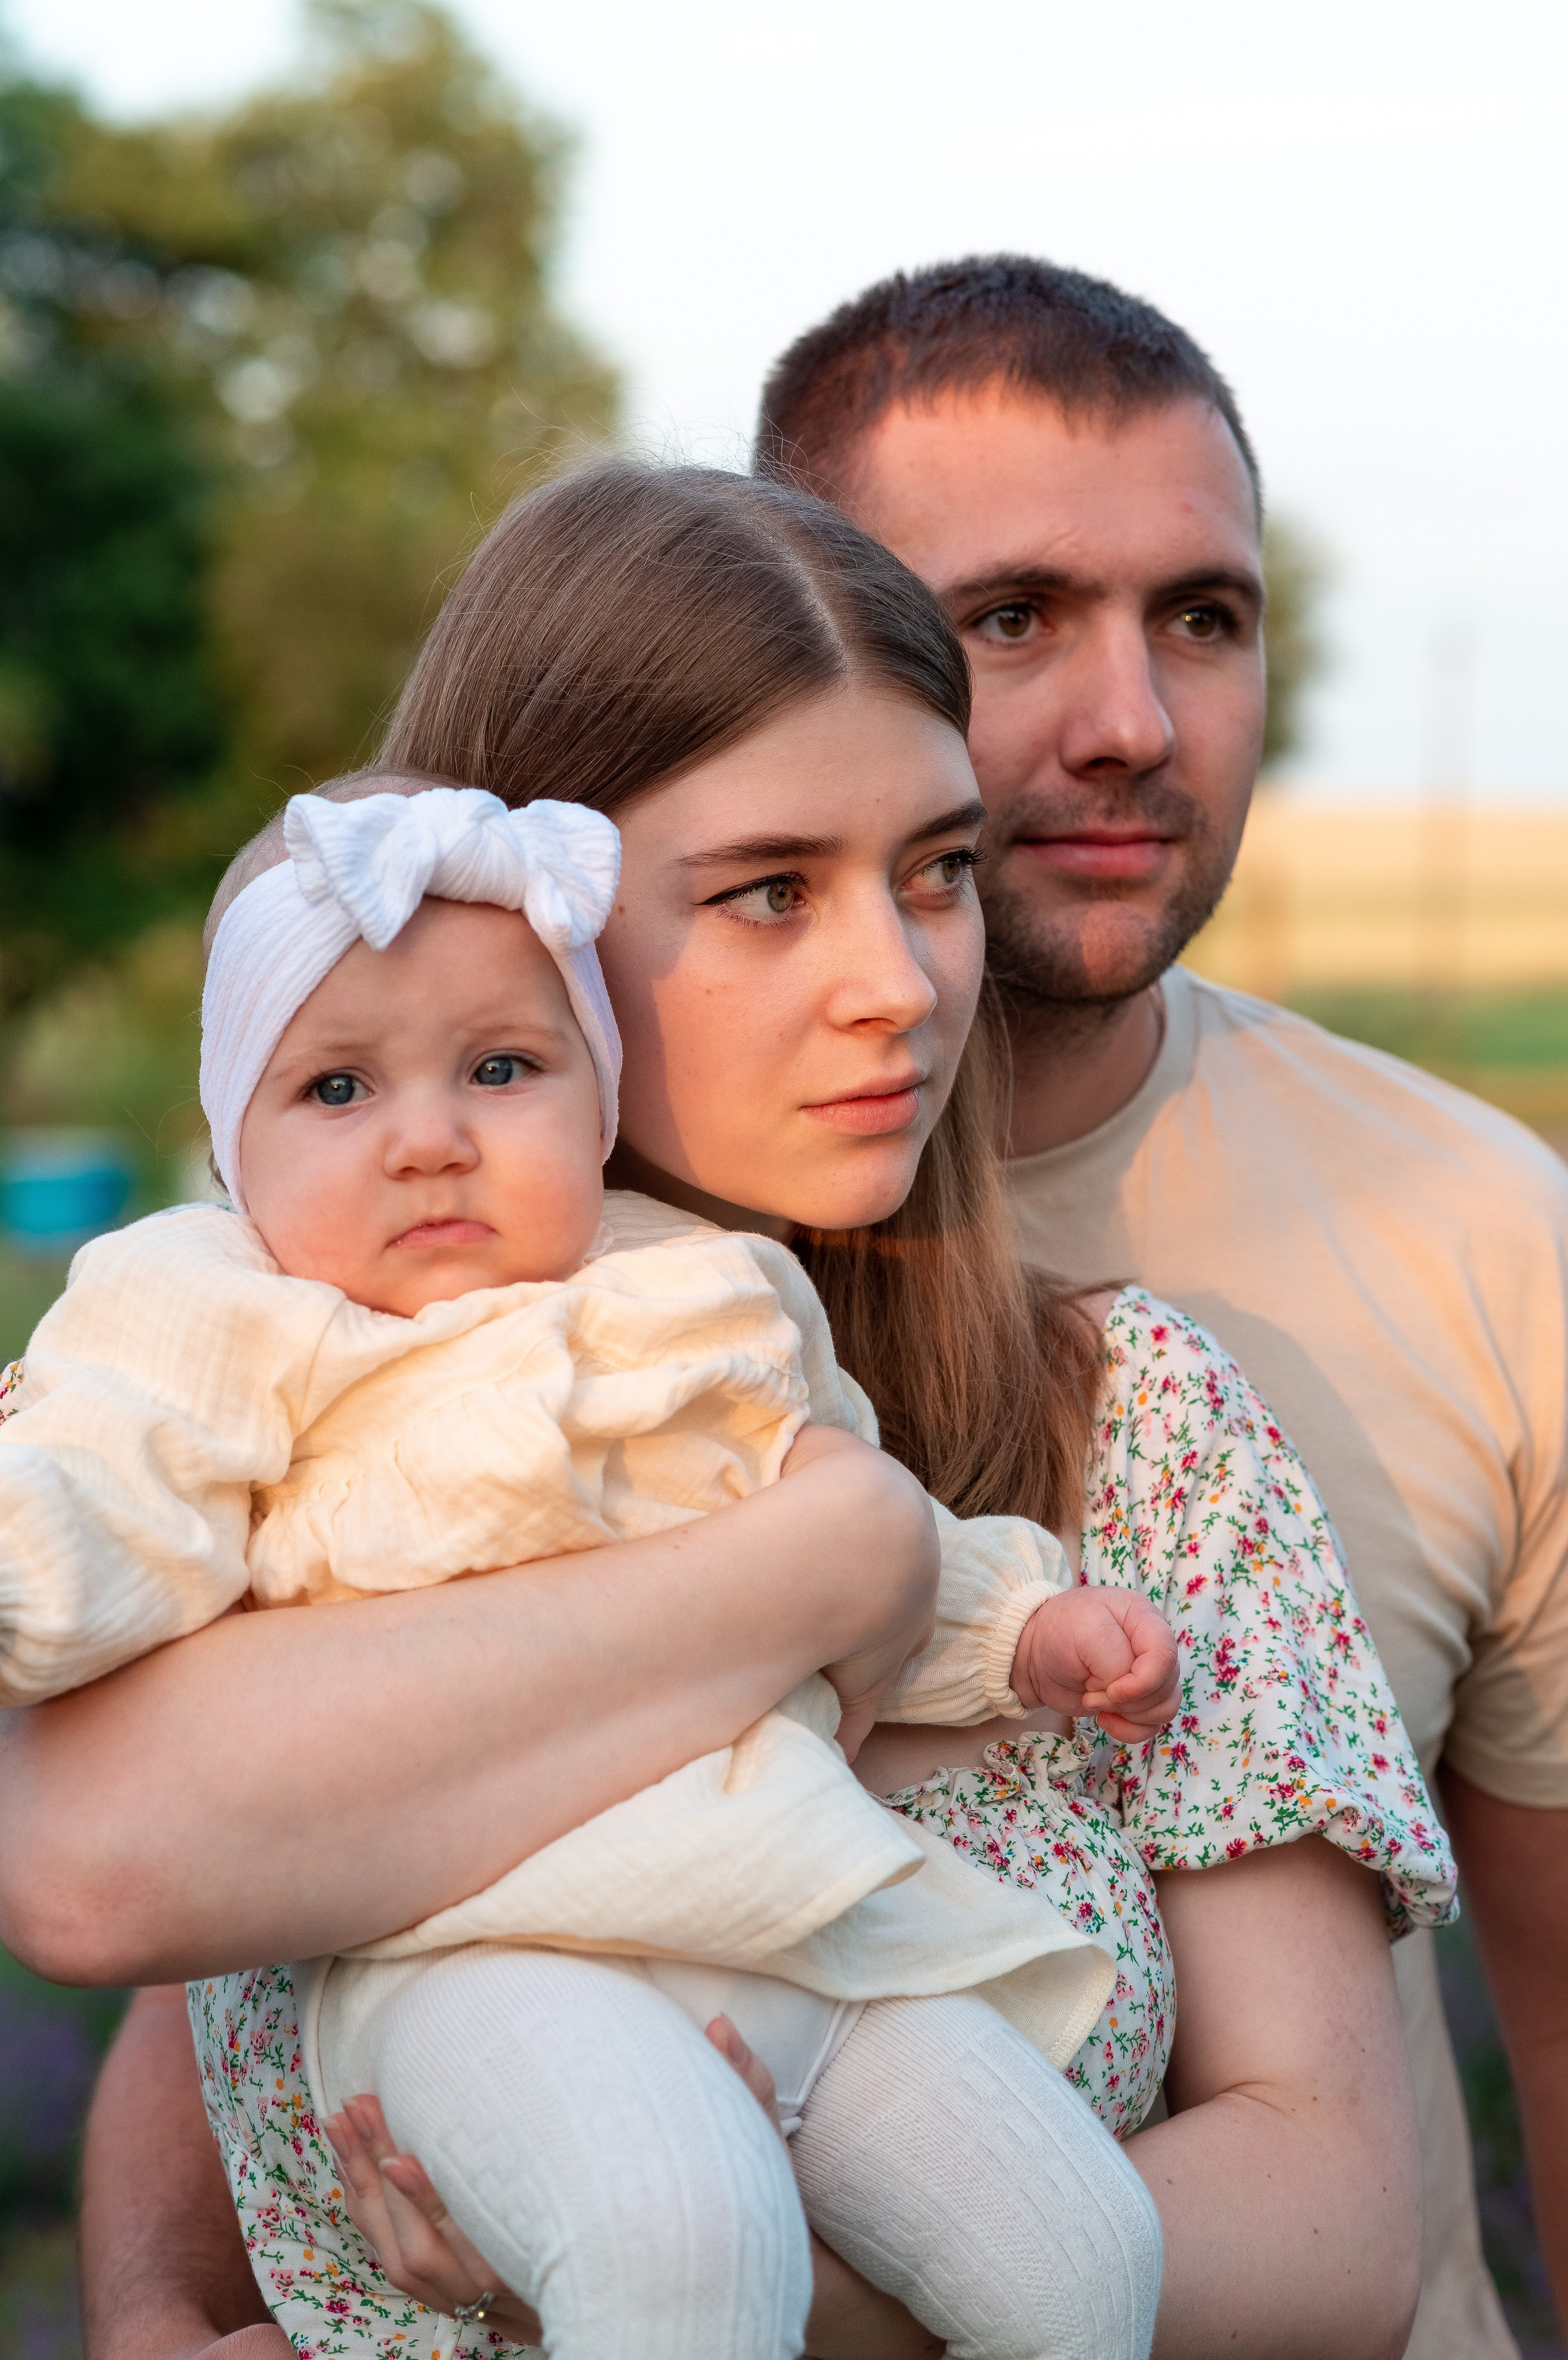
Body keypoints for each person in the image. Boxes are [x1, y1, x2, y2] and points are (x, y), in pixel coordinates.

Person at [10, 462, 1444, 2360]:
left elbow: (1343, 2217)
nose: (899, 984)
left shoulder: (1133, 1414)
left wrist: (768, 2291)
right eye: (769, 892)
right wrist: (148, 2309)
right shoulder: (252, 1375)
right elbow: (116, 1888)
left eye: (937, 870)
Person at [0, 766, 1180, 2359]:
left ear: (599, 1099)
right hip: (484, 1952)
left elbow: (842, 1525)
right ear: (232, 1137)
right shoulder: (224, 1306)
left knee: (1084, 2250)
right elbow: (106, 1481)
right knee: (681, 2240)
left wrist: (1026, 1626)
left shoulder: (702, 1291)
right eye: (337, 1090)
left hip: (795, 1910)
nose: (429, 1141)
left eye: (501, 1067)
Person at [752, 252, 1568, 2359]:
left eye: (1201, 619)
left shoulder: (1490, 1240)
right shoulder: (537, 1235)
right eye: (1014, 618)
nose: (1130, 724)